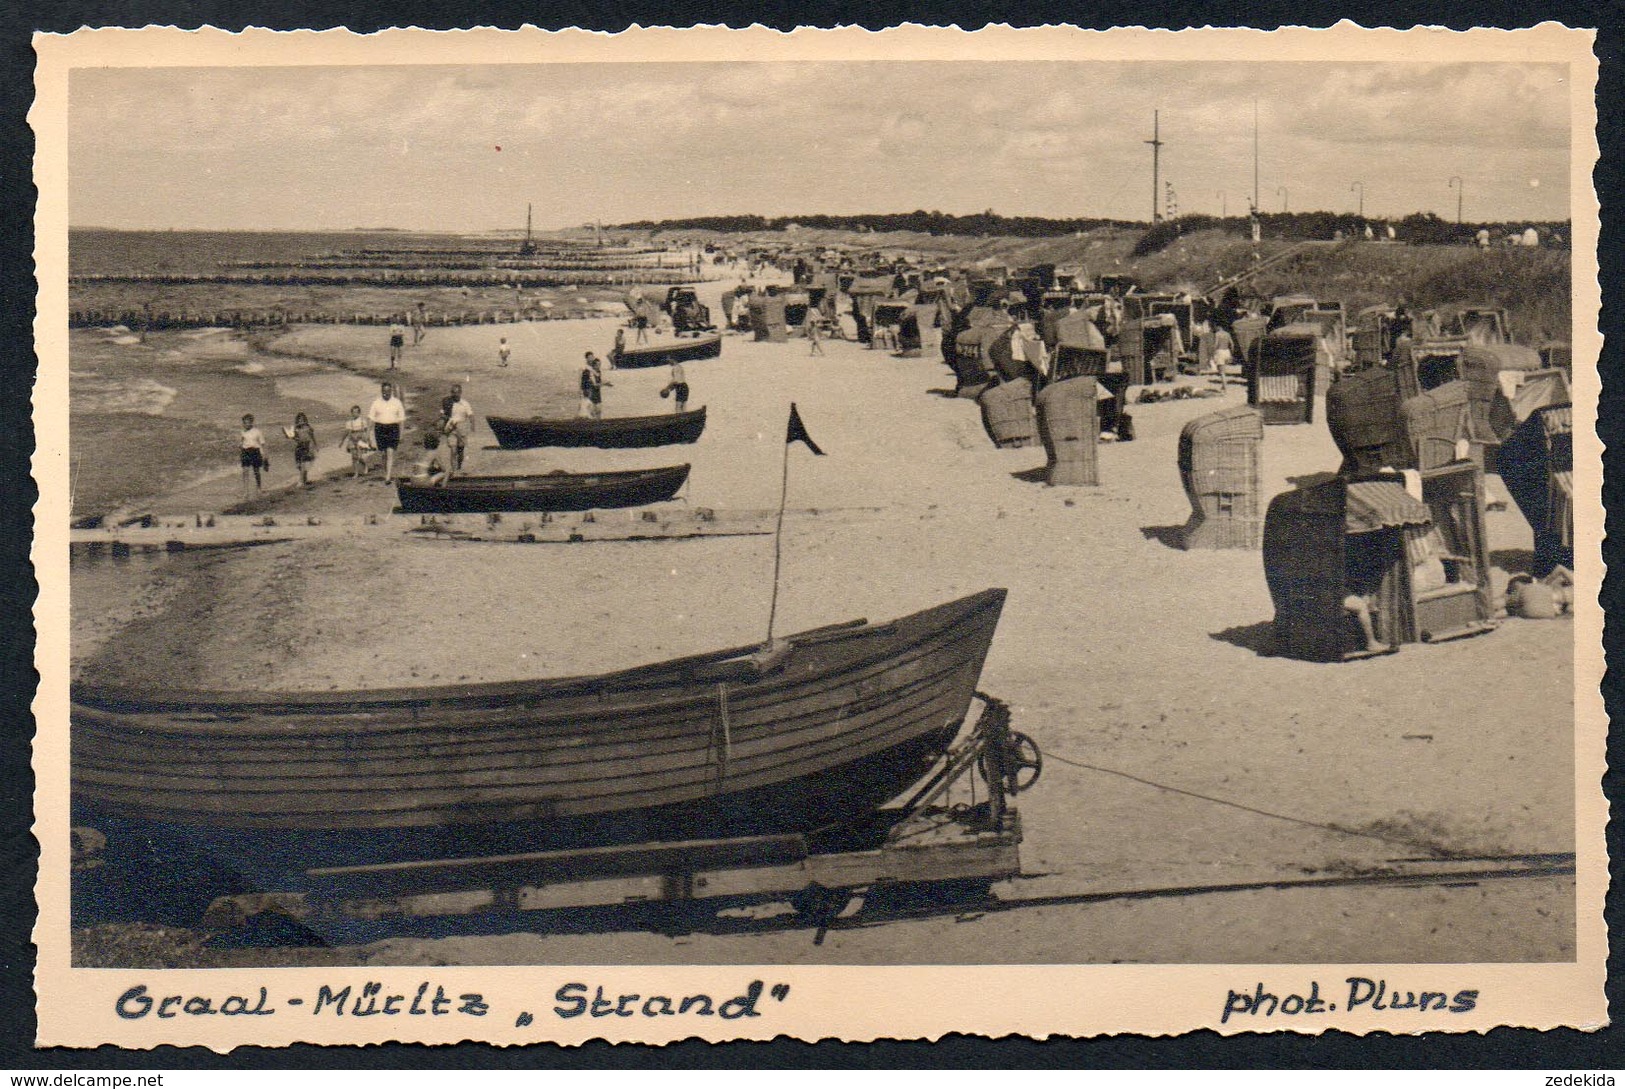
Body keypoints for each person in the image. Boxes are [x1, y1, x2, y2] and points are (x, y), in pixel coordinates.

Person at [368, 380, 407, 481]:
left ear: (391, 391)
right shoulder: (376, 402)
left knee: (390, 452)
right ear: (381, 391)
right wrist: (368, 433)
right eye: (384, 391)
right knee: (383, 453)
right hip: (380, 428)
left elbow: (401, 419)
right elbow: (371, 418)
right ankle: (387, 473)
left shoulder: (397, 402)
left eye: (388, 391)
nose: (386, 393)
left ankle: (388, 476)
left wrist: (402, 434)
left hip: (393, 428)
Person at [440, 383, 475, 473]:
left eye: (456, 392)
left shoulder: (465, 404)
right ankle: (454, 469)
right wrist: (448, 420)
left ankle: (459, 465)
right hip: (451, 426)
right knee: (453, 449)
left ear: (460, 393)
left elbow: (470, 415)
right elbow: (442, 414)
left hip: (462, 427)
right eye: (453, 392)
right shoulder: (447, 402)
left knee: (460, 449)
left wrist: (472, 425)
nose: (454, 394)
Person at [239, 414, 268, 499]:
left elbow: (262, 443)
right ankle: (246, 491)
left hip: (255, 451)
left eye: (247, 422)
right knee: (245, 471)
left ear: (251, 422)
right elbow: (242, 441)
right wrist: (240, 446)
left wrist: (265, 455)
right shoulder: (242, 432)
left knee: (256, 471)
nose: (245, 424)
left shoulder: (257, 431)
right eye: (244, 423)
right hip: (245, 451)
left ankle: (259, 488)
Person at [341, 404, 372, 478]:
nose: (355, 414)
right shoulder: (349, 422)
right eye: (353, 412)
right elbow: (346, 432)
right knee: (354, 457)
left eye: (356, 412)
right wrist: (342, 441)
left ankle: (365, 466)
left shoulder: (362, 421)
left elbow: (366, 431)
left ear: (359, 413)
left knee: (359, 457)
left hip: (361, 438)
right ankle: (356, 473)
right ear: (351, 413)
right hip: (352, 439)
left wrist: (369, 441)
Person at [290, 412, 318, 488]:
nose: (301, 421)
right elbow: (295, 438)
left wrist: (316, 446)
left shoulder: (308, 427)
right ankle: (305, 479)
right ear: (297, 420)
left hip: (307, 446)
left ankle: (300, 481)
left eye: (302, 419)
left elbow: (312, 437)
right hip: (299, 446)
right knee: (299, 465)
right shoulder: (296, 428)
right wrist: (292, 437)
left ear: (305, 420)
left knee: (303, 464)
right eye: (299, 420)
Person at [580, 353, 607, 419]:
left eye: (600, 365)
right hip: (590, 391)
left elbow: (598, 381)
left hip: (596, 391)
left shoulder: (598, 371)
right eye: (597, 365)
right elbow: (593, 384)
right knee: (592, 410)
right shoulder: (587, 370)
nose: (599, 366)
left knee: (598, 410)